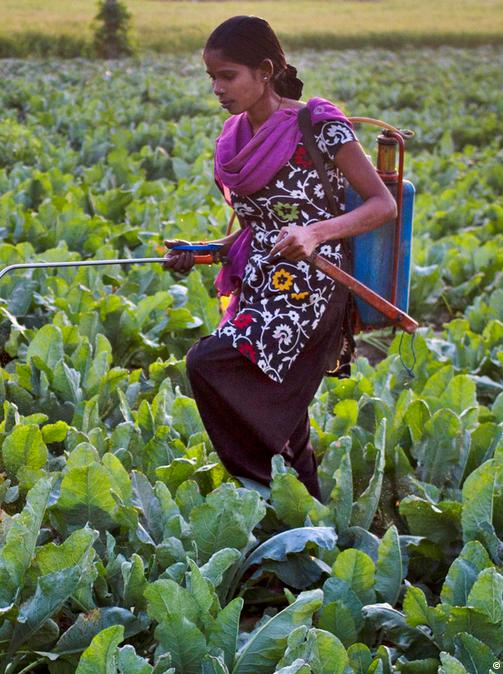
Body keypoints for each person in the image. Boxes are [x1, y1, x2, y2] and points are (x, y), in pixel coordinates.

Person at [165, 15, 396, 500]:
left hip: (315, 287)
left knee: (209, 362)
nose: (217, 89)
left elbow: (383, 205)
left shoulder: (318, 125)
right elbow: (257, 225)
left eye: (227, 76)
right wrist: (205, 251)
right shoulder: (235, 138)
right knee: (289, 426)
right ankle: (305, 516)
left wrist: (314, 234)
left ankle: (262, 488)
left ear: (265, 71)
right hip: (261, 285)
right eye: (211, 78)